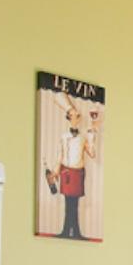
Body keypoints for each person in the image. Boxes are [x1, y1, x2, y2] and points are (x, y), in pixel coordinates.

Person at [54, 101, 98, 240]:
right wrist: (56, 171)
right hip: (67, 173)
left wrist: (92, 133)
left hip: (78, 173)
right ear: (68, 117)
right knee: (68, 204)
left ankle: (75, 233)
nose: (75, 117)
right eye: (72, 115)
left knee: (75, 204)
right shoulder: (63, 137)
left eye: (77, 115)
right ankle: (66, 231)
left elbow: (92, 153)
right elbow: (60, 155)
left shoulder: (83, 138)